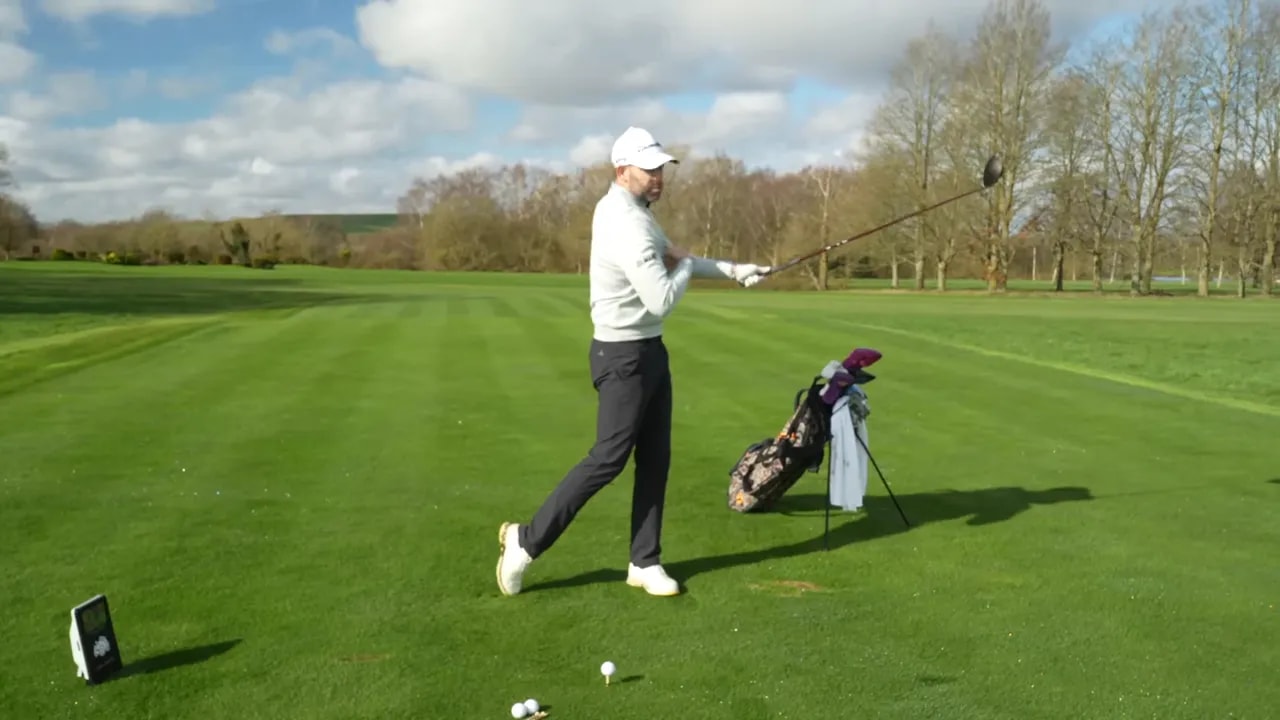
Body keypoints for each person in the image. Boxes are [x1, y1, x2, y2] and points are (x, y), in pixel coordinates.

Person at [495, 126, 771, 598]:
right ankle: (526, 541)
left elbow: (678, 258)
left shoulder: (635, 213)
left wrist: (736, 270)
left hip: (648, 352)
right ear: (623, 171)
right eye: (650, 169)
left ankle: (644, 561)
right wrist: (684, 265)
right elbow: (662, 295)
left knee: (655, 459)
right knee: (609, 458)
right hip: (621, 356)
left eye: (662, 168)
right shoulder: (626, 222)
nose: (660, 176)